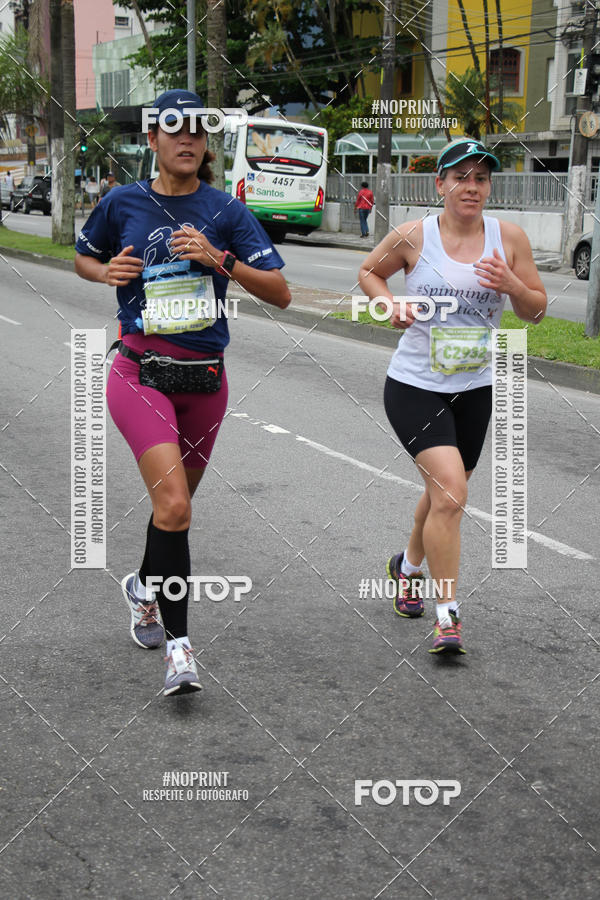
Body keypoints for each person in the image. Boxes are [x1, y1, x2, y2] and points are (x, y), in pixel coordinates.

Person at [74, 89, 291, 696]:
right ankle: (180, 650)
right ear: (153, 140)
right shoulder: (123, 202)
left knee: (175, 510)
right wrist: (105, 272)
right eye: (175, 129)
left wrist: (219, 259)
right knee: (174, 506)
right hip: (140, 370)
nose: (188, 139)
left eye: (198, 130)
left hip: (205, 379)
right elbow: (84, 258)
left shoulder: (225, 210)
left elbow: (280, 292)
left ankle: (144, 585)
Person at [358, 137, 547, 654]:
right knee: (453, 495)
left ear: (489, 188)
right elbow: (369, 274)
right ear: (439, 184)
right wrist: (387, 305)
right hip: (415, 386)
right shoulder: (413, 236)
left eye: (481, 178)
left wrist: (511, 283)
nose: (471, 186)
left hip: (475, 388)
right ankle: (448, 617)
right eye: (459, 177)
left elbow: (536, 311)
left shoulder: (508, 239)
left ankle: (407, 567)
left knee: (445, 494)